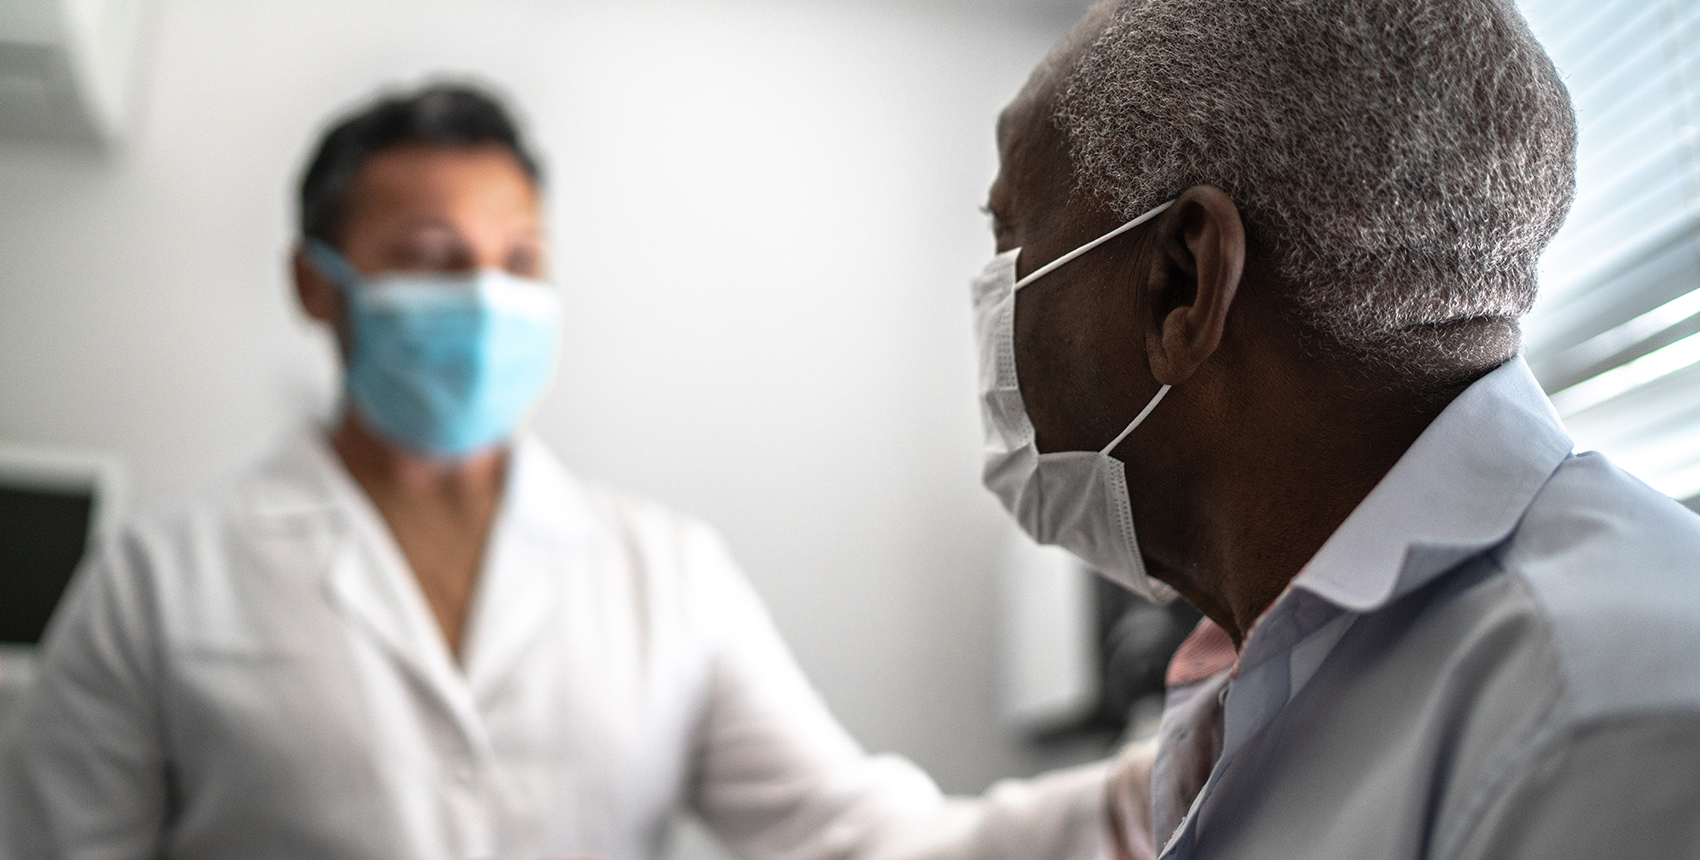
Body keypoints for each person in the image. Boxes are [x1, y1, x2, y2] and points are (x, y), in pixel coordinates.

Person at [0, 84, 1129, 860]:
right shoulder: (159, 578)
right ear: (316, 283)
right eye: (434, 260)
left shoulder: (662, 574)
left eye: (518, 260)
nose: (486, 299)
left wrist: (1153, 778)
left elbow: (866, 839)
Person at [975, 1, 1700, 859]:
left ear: (1181, 284)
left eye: (1009, 238)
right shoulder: (1286, 666)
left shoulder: (1596, 729)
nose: (991, 297)